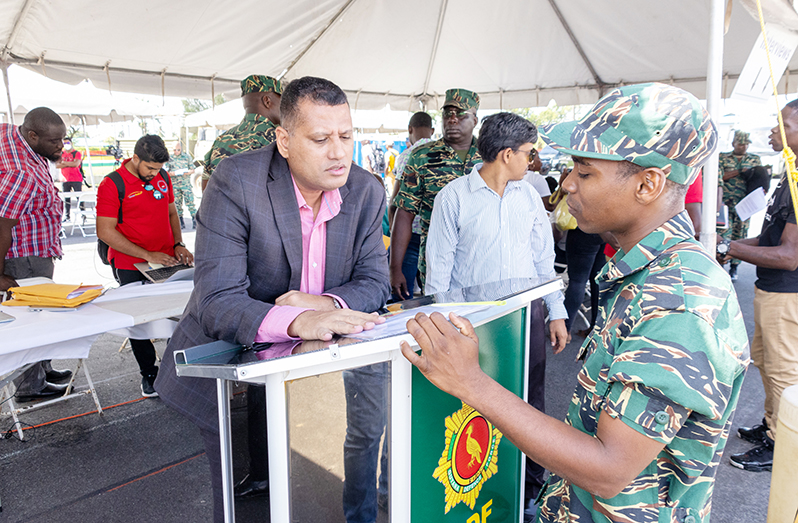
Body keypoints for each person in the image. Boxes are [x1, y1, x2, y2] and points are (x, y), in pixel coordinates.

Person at [400, 83, 749, 522]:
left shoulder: (679, 302)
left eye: (584, 173)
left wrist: (472, 382)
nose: (566, 185)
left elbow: (608, 470)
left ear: (648, 184)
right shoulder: (645, 272)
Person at [154, 76, 390, 523]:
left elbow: (375, 282)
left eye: (346, 136)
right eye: (321, 139)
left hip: (323, 361)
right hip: (233, 363)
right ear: (283, 140)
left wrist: (327, 305)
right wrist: (297, 320)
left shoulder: (365, 190)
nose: (339, 153)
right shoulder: (236, 182)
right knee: (246, 489)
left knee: (337, 461)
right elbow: (217, 299)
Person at [425, 112, 568, 512]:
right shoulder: (453, 197)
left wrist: (555, 312)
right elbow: (439, 274)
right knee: (476, 404)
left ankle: (529, 488)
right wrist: (446, 330)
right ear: (506, 154)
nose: (532, 160)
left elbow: (544, 260)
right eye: (528, 152)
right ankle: (475, 486)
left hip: (527, 318)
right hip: (475, 324)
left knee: (530, 402)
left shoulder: (528, 196)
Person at [718, 99, 798, 472]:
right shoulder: (791, 175)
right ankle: (772, 426)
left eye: (784, 124)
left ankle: (784, 445)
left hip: (786, 291)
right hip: (772, 289)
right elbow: (770, 239)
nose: (774, 131)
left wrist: (730, 247)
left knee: (783, 370)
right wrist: (724, 246)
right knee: (766, 362)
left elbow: (787, 256)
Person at [96, 135, 194, 398]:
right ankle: (149, 374)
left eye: (159, 169)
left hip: (166, 260)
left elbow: (172, 212)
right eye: (150, 168)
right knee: (139, 321)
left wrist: (178, 244)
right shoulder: (112, 184)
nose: (154, 174)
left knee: (182, 312)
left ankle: (179, 369)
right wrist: (147, 253)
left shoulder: (163, 176)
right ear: (135, 158)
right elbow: (105, 231)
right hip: (131, 264)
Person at [0, 107, 73, 400]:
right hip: (23, 254)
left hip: (37, 248)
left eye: (63, 139)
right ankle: (30, 386)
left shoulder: (9, 132)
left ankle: (43, 368)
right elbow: (3, 225)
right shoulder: (22, 174)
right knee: (31, 316)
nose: (60, 146)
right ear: (32, 135)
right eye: (54, 141)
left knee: (43, 314)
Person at [392, 88, 481, 297]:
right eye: (447, 113)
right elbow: (404, 212)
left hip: (481, 262)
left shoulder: (489, 155)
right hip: (435, 264)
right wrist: (395, 268)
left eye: (460, 114)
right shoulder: (422, 156)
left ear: (475, 120)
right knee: (440, 322)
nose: (452, 119)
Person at [201, 74, 282, 191]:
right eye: (281, 100)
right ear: (267, 101)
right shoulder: (279, 138)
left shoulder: (220, 140)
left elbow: (206, 192)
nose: (283, 107)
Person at [387, 111, 435, 300]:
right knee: (431, 294)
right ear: (432, 130)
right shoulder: (446, 155)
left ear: (410, 130)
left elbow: (395, 201)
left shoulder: (408, 155)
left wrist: (394, 235)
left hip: (410, 235)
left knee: (402, 293)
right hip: (434, 236)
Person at [718, 130, 761, 280]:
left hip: (745, 205)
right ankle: (720, 265)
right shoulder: (723, 158)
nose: (744, 146)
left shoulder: (754, 159)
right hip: (725, 204)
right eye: (741, 143)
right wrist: (739, 171)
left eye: (746, 144)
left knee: (741, 234)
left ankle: (734, 268)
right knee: (723, 234)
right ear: (733, 143)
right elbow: (719, 177)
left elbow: (760, 179)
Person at [165, 141, 197, 229]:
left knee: (190, 203)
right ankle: (181, 222)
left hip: (185, 185)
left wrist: (186, 172)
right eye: (174, 150)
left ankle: (195, 220)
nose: (176, 151)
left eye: (178, 150)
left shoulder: (187, 157)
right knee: (177, 205)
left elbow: (193, 169)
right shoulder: (169, 158)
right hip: (175, 186)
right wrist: (173, 173)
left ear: (181, 148)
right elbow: (165, 171)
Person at [55, 137, 83, 222]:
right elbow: (57, 165)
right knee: (66, 199)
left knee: (80, 197)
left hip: (76, 178)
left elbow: (76, 163)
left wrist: (64, 163)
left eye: (68, 143)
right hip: (64, 179)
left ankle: (82, 213)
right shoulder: (60, 154)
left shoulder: (76, 153)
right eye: (64, 143)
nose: (66, 145)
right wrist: (69, 164)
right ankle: (67, 216)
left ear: (71, 143)